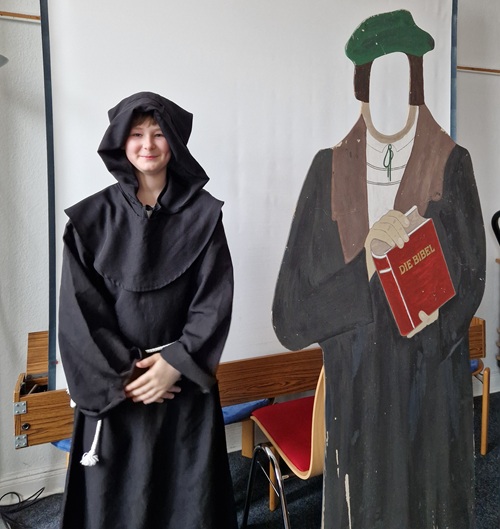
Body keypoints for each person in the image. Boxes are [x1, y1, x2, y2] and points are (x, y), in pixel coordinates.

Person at [272, 11, 485, 529]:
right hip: (357, 403)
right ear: (360, 88)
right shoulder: (327, 172)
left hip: (431, 399)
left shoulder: (451, 165)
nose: (389, 97)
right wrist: (367, 261)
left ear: (417, 85)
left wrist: (438, 317)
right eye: (376, 78)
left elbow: (472, 277)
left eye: (401, 77)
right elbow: (291, 316)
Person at [58, 91, 238, 529]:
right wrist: (129, 377)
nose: (148, 145)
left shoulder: (204, 215)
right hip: (117, 388)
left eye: (158, 134)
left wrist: (175, 364)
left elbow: (213, 300)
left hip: (181, 384)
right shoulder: (90, 220)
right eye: (136, 134)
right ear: (121, 141)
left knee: (186, 504)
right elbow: (80, 315)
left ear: (173, 140)